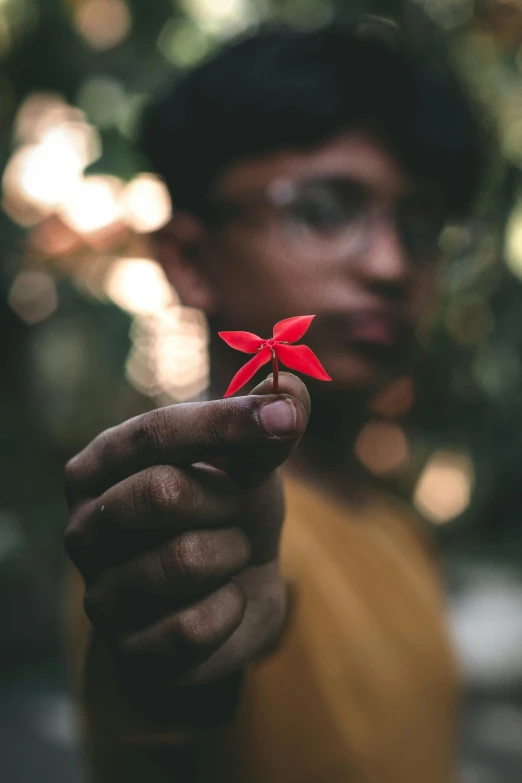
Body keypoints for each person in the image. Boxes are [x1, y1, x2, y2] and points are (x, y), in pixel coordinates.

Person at [64, 17, 485, 783]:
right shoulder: (181, 518)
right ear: (189, 259)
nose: (392, 264)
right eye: (325, 209)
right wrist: (180, 662)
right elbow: (169, 674)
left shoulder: (396, 529)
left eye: (420, 225)